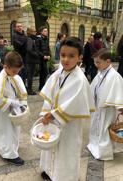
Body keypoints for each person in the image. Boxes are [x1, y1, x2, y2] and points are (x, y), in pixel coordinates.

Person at [38, 36, 95, 181]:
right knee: (51, 145)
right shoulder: (59, 72)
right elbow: (49, 94)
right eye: (63, 55)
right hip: (53, 118)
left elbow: (74, 103)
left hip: (69, 123)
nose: (65, 60)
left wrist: (53, 115)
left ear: (79, 57)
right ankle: (49, 170)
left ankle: (64, 177)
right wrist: (46, 112)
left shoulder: (79, 79)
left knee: (66, 149)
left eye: (71, 56)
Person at [0, 51, 28, 166]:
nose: (16, 74)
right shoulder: (0, 80)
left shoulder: (13, 76)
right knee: (6, 131)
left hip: (13, 108)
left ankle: (12, 147)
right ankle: (9, 154)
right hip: (4, 111)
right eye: (14, 71)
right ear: (5, 66)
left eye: (18, 71)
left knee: (14, 130)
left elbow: (20, 91)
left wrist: (21, 103)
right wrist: (14, 103)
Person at [87, 48, 123, 161]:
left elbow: (118, 92)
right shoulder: (101, 72)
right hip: (98, 107)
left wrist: (121, 108)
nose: (96, 64)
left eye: (98, 62)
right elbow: (94, 87)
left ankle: (104, 152)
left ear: (108, 61)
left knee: (105, 129)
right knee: (97, 127)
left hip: (108, 109)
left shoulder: (114, 76)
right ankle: (96, 144)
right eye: (95, 62)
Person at [37, 26, 51, 90]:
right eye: (45, 31)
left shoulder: (46, 39)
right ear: (41, 32)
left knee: (45, 73)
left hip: (46, 59)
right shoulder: (39, 39)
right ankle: (41, 86)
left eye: (46, 31)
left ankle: (42, 86)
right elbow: (37, 50)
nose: (46, 32)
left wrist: (49, 55)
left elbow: (48, 48)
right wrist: (43, 56)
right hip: (41, 59)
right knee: (43, 73)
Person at [26, 27, 39, 95]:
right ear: (30, 32)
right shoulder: (30, 39)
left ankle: (29, 89)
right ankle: (29, 90)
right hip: (30, 60)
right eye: (34, 31)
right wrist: (36, 54)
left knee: (30, 76)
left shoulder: (31, 39)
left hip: (31, 60)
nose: (35, 32)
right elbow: (29, 49)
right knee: (30, 76)